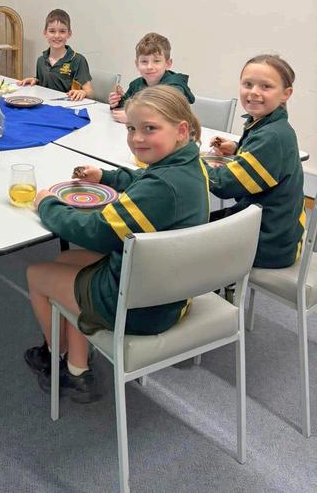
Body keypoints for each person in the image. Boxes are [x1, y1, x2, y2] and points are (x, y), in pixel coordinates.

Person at [25, 86, 209, 401]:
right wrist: (107, 177)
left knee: (37, 275)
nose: (137, 138)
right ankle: (78, 368)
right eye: (131, 129)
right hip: (171, 289)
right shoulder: (188, 165)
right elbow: (144, 181)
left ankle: (57, 355)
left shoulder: (162, 187)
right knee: (66, 263)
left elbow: (97, 231)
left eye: (149, 129)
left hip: (141, 306)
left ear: (181, 130)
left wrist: (47, 204)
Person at [206, 54, 304, 268]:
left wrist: (191, 161)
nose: (254, 92)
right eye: (248, 84)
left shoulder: (272, 137)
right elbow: (264, 159)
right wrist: (237, 148)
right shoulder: (269, 125)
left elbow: (223, 185)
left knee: (181, 237)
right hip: (276, 230)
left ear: (286, 94)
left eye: (266, 86)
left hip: (269, 242)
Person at [109, 32, 194, 122]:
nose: (149, 67)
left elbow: (166, 114)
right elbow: (126, 106)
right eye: (144, 61)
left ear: (168, 64)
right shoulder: (136, 84)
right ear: (137, 64)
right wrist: (117, 102)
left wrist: (134, 117)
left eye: (156, 61)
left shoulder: (174, 88)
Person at [18, 9, 93, 101]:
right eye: (52, 31)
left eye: (62, 31)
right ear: (45, 33)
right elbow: (45, 82)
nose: (57, 35)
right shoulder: (41, 60)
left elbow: (90, 91)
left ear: (69, 34)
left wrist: (83, 92)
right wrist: (35, 80)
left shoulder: (78, 60)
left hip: (67, 106)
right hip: (44, 104)